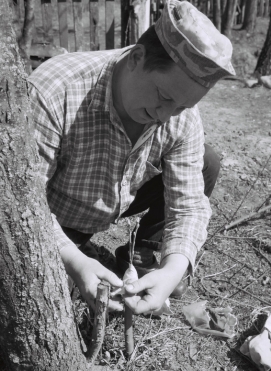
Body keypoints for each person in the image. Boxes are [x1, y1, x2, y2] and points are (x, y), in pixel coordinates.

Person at [28, 0, 235, 316]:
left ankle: (143, 257)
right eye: (164, 98)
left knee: (206, 162)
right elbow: (25, 203)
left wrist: (173, 268)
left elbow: (188, 204)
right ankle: (76, 248)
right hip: (56, 213)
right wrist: (72, 257)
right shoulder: (55, 90)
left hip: (120, 194)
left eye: (181, 106)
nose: (166, 116)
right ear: (137, 57)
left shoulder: (181, 114)